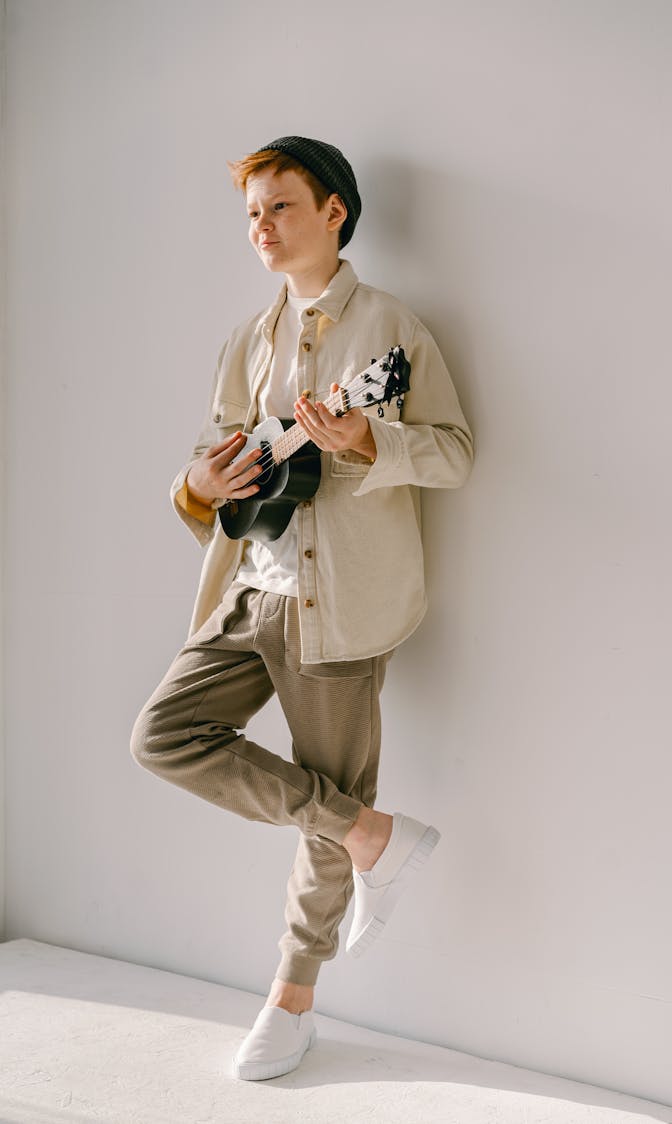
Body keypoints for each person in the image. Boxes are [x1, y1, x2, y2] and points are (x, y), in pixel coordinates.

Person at [130, 135, 473, 1081]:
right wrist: (197, 482)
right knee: (164, 737)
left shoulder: (393, 331)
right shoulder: (249, 339)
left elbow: (454, 452)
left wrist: (371, 437)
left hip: (344, 604)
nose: (262, 228)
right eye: (251, 213)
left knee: (326, 791)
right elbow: (210, 473)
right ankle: (374, 836)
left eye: (281, 206)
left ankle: (292, 998)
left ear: (335, 213)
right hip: (249, 591)